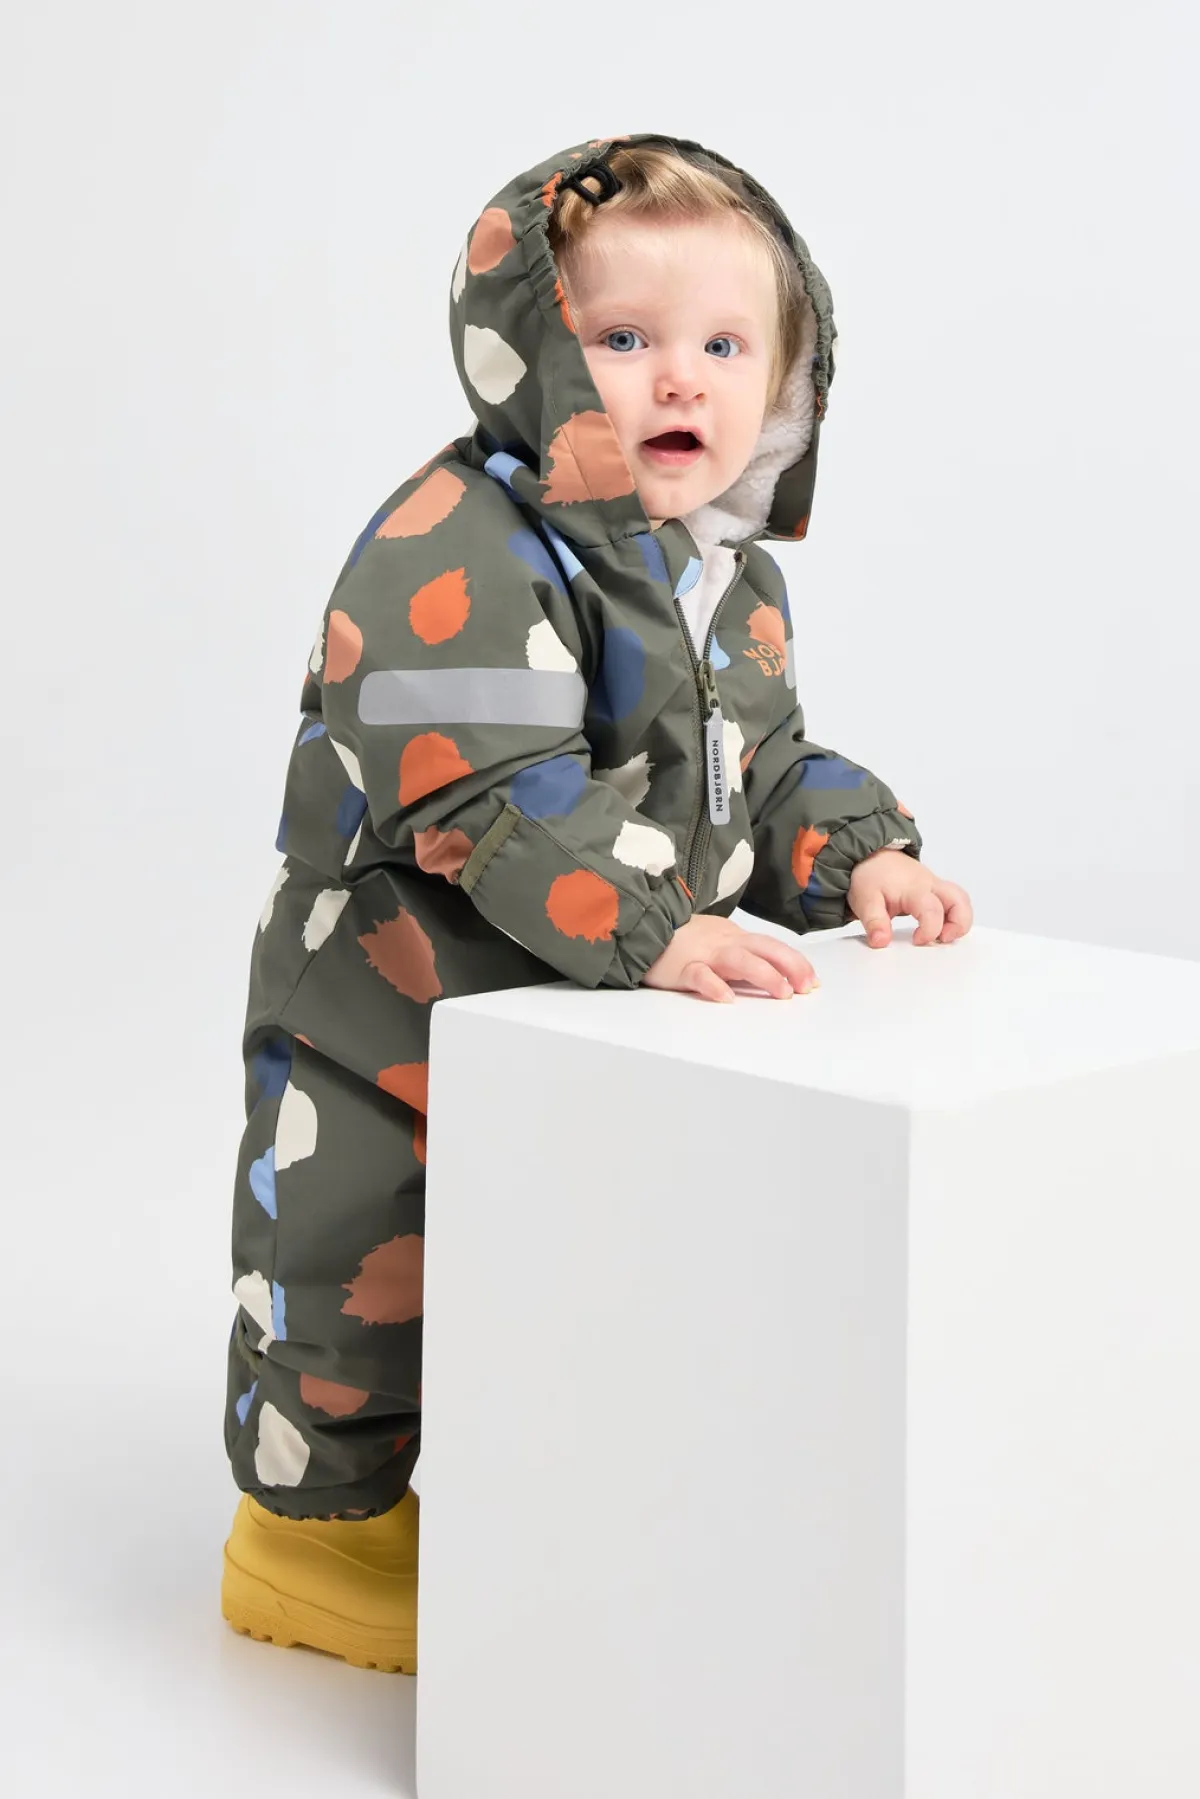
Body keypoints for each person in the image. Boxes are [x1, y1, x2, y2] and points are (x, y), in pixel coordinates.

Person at [220, 131, 973, 1674]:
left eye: (724, 346)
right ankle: (309, 1537)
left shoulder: (728, 582)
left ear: (788, 376)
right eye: (624, 339)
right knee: (355, 1264)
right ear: (537, 358)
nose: (678, 377)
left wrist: (854, 850)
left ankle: (552, 1507)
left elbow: (755, 770)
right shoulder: (454, 541)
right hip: (394, 1002)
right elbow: (482, 791)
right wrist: (653, 928)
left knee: (567, 1284)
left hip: (581, 1021)